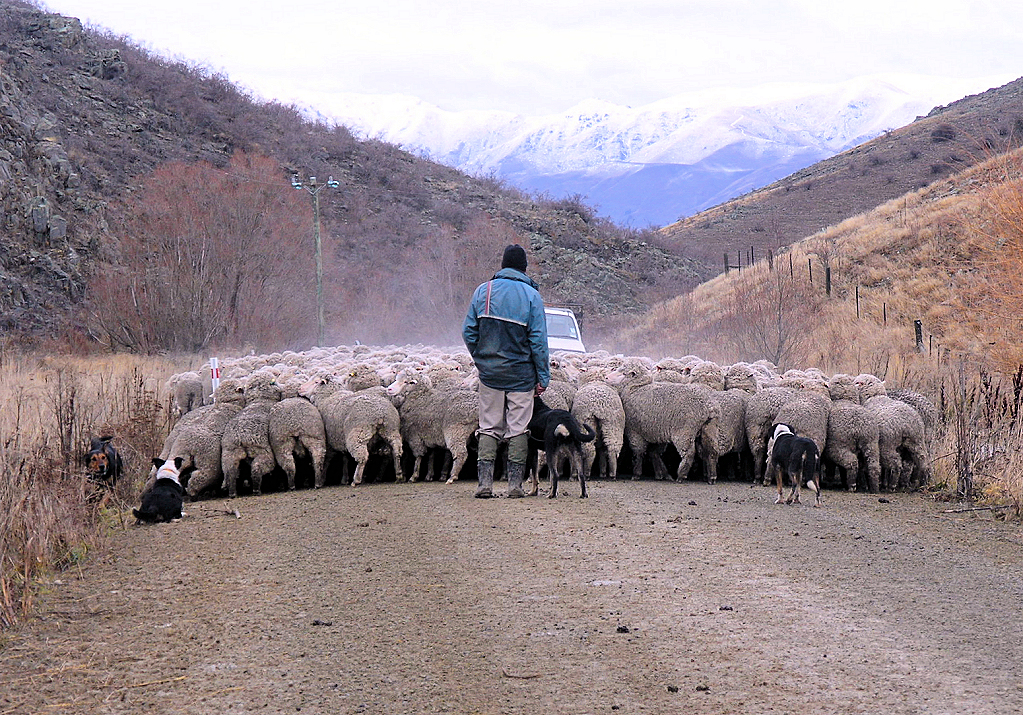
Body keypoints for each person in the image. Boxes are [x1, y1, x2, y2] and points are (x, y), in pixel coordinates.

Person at [462, 244, 550, 498]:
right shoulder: (531, 296)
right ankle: (515, 485)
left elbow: (469, 331)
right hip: (521, 376)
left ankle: (485, 484)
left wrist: (481, 358)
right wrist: (542, 376)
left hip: (490, 374)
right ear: (524, 267)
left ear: (502, 265)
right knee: (518, 428)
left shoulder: (483, 291)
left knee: (489, 425)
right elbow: (539, 341)